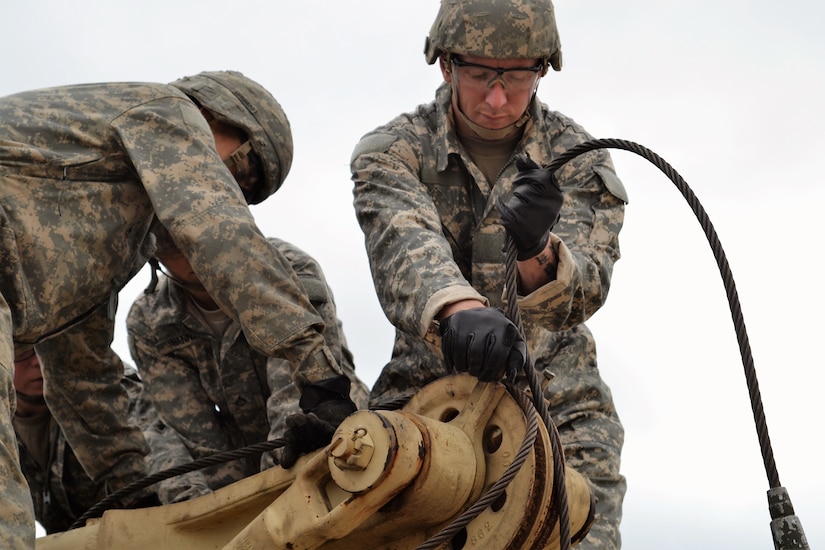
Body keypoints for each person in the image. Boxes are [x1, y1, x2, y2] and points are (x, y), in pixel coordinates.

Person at [0, 70, 356, 547]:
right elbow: (216, 227)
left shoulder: (108, 230)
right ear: (217, 114)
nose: (232, 191)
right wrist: (319, 374)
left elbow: (77, 368)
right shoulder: (167, 110)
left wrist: (133, 496)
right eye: (242, 175)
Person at [350, 1, 628, 548]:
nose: (497, 98)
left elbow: (583, 293)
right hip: (425, 400)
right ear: (447, 66)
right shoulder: (393, 153)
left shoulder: (578, 159)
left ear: (541, 71)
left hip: (558, 406)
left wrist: (536, 251)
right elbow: (403, 242)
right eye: (480, 75)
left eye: (517, 77)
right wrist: (458, 310)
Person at [127, 231, 369, 504]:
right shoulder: (150, 321)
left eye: (199, 236)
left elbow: (299, 393)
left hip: (330, 429)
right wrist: (235, 510)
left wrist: (276, 494)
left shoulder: (286, 267)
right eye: (176, 248)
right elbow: (198, 438)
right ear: (154, 254)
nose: (194, 254)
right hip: (244, 454)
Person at [12, 346, 156, 534]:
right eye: (23, 352)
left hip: (142, 531)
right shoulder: (5, 425)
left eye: (44, 345)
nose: (37, 359)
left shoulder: (104, 387)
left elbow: (160, 462)